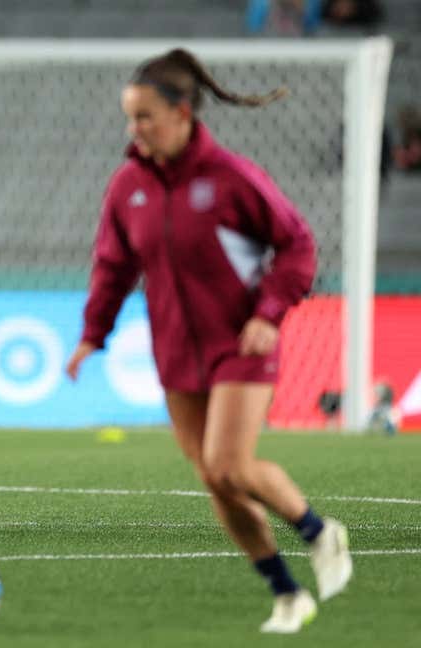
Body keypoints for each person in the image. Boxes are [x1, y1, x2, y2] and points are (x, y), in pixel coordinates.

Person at [65, 48, 352, 633]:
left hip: (242, 343)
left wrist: (270, 313)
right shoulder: (128, 187)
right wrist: (92, 335)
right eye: (130, 118)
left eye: (145, 117)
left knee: (228, 462)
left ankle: (322, 533)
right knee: (214, 476)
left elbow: (297, 245)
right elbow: (113, 267)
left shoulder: (232, 177)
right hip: (175, 353)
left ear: (183, 113)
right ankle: (287, 594)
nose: (135, 129)